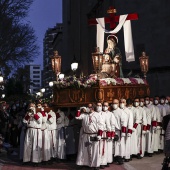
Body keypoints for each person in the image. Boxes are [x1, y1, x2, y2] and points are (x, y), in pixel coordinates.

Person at [76, 103, 104, 170]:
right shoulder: (84, 115)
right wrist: (79, 109)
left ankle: (95, 165)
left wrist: (100, 135)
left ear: (93, 108)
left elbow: (101, 125)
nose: (89, 108)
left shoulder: (97, 115)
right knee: (84, 150)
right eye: (88, 107)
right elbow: (77, 117)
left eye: (90, 107)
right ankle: (84, 163)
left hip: (94, 135)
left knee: (94, 151)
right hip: (86, 134)